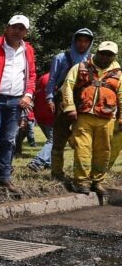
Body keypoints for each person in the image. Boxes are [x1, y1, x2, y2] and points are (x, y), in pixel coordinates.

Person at [0, 15, 37, 196]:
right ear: (7, 28)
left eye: (21, 28)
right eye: (14, 27)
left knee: (9, 141)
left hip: (16, 102)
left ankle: (4, 177)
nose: (17, 31)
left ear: (26, 32)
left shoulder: (28, 50)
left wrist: (28, 94)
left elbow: (32, 75)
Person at [60, 41, 120, 193]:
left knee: (104, 151)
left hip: (107, 119)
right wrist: (69, 107)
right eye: (103, 53)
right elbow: (67, 87)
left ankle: (97, 181)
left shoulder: (119, 74)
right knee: (82, 148)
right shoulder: (80, 67)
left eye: (109, 54)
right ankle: (81, 182)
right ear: (97, 52)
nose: (105, 57)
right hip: (83, 116)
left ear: (114, 56)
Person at [46, 28, 94, 181]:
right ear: (74, 41)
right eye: (79, 40)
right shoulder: (61, 58)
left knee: (83, 140)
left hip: (85, 104)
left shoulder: (93, 61)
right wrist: (49, 98)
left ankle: (81, 174)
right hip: (63, 102)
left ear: (90, 43)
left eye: (86, 41)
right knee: (59, 137)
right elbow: (52, 80)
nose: (82, 44)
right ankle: (57, 172)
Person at [27, 70, 55, 171]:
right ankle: (37, 161)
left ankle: (49, 163)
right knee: (53, 140)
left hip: (39, 114)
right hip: (50, 114)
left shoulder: (42, 78)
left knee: (50, 139)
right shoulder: (56, 77)